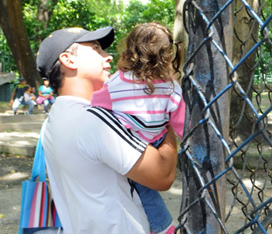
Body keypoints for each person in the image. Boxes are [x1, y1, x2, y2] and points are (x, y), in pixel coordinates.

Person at [36, 27, 178, 234]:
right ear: (69, 60)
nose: (108, 57)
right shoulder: (93, 120)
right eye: (96, 49)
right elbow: (163, 176)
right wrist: (168, 120)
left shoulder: (53, 120)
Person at [91, 22, 185, 234]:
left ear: (131, 50)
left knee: (142, 189)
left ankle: (161, 227)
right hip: (159, 138)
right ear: (167, 55)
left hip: (132, 143)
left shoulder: (116, 83)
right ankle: (161, 228)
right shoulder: (169, 85)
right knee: (145, 189)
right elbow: (180, 118)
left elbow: (96, 106)